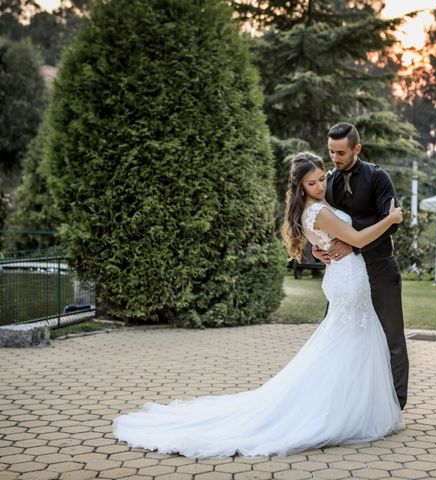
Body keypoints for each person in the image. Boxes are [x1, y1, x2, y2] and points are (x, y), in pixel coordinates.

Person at [112, 152, 404, 458]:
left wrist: (321, 249)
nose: (319, 186)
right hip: (347, 282)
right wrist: (391, 219)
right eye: (312, 182)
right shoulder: (318, 210)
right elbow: (357, 239)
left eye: (322, 179)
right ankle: (337, 413)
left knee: (347, 344)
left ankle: (348, 407)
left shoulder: (309, 208)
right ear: (301, 186)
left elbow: (329, 240)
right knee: (348, 343)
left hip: (344, 278)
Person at [313, 122, 409, 410]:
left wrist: (353, 242)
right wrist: (316, 249)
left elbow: (389, 223)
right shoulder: (327, 181)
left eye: (340, 152)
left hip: (380, 267)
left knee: (391, 337)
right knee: (337, 333)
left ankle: (395, 406)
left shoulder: (379, 178)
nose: (334, 158)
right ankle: (343, 404)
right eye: (331, 152)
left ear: (357, 148)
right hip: (345, 275)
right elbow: (317, 220)